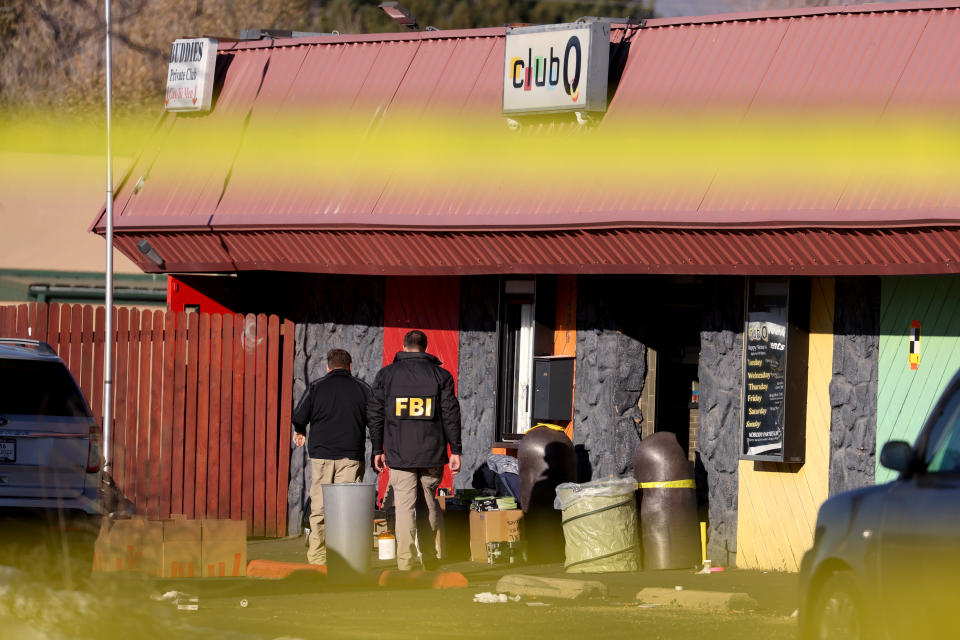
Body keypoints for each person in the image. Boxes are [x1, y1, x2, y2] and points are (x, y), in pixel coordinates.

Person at [368, 330, 462, 571]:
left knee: (405, 506)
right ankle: (431, 557)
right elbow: (451, 414)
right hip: (432, 452)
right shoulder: (441, 375)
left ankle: (405, 562)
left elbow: (375, 414)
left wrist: (377, 448)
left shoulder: (386, 375)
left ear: (403, 346)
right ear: (426, 347)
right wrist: (456, 450)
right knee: (428, 503)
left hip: (400, 454)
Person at [292, 348, 370, 565]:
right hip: (351, 457)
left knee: (319, 508)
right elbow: (375, 419)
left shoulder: (316, 387)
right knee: (348, 509)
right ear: (350, 366)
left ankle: (317, 557)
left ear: (328, 367)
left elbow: (299, 415)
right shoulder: (362, 388)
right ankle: (346, 558)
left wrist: (300, 430)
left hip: (322, 457)